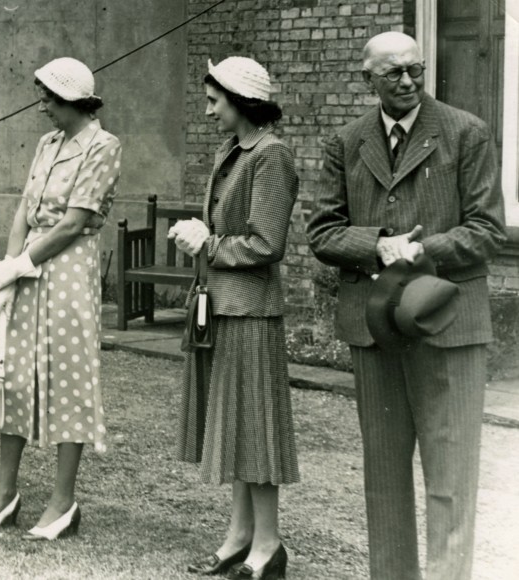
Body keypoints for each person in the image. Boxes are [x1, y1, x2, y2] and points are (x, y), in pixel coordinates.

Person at [306, 31, 506, 580]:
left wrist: (421, 248)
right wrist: (376, 243)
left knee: (451, 475)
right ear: (368, 77)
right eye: (393, 74)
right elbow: (323, 231)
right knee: (384, 478)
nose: (408, 82)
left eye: (415, 70)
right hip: (375, 328)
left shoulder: (466, 132)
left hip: (450, 322)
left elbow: (487, 230)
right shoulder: (346, 141)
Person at [0, 57, 121, 540]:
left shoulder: (104, 145)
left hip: (69, 268)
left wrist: (25, 261)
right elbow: (25, 208)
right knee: (12, 374)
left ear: (73, 101)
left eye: (49, 100)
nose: (43, 109)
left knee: (68, 376)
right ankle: (6, 493)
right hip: (30, 265)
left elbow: (75, 222)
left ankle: (62, 502)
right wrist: (8, 269)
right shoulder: (47, 143)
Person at [169, 57, 299, 578]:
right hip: (222, 303)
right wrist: (200, 235)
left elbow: (268, 243)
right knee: (238, 423)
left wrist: (211, 242)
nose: (208, 111)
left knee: (255, 427)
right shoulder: (232, 151)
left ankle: (268, 544)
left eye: (214, 101)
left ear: (240, 101)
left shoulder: (273, 156)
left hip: (252, 310)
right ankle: (241, 535)